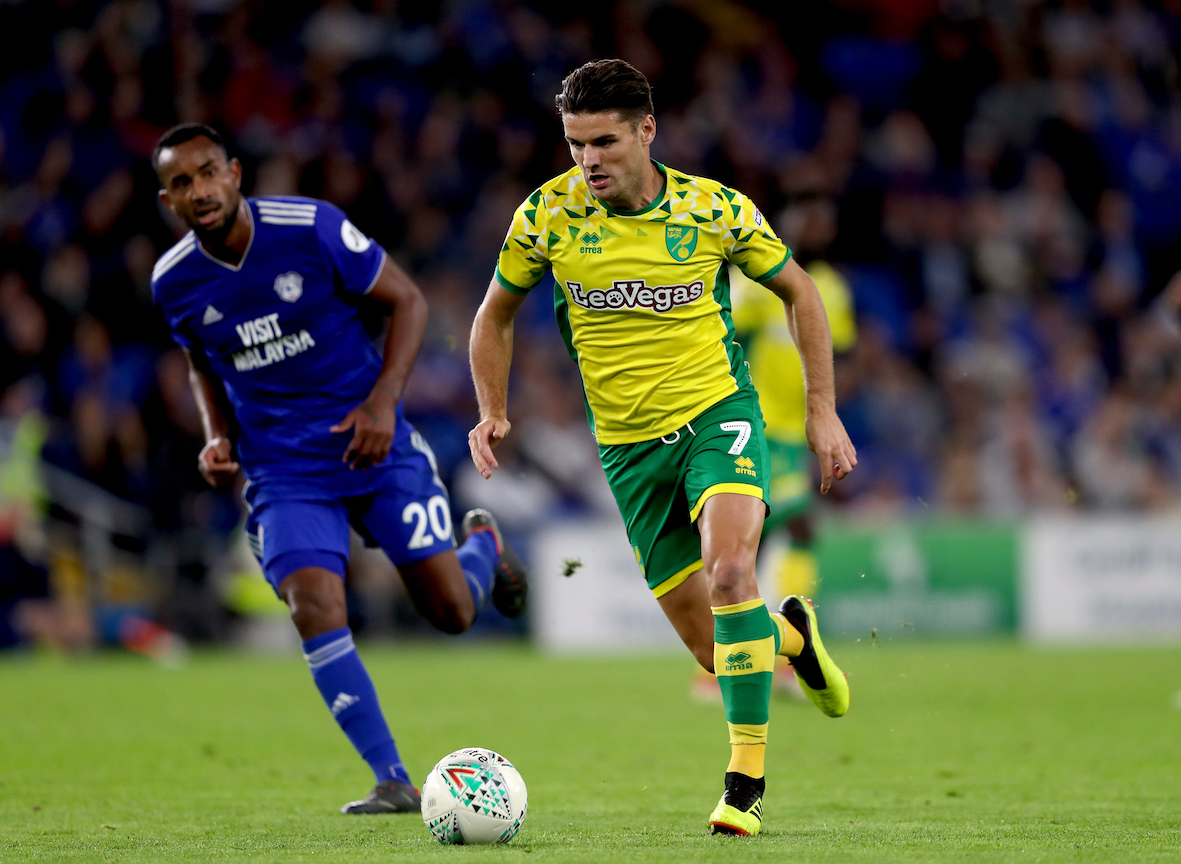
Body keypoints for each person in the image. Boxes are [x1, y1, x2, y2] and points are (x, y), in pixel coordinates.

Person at [468, 60, 857, 837]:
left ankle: (743, 785)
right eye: (575, 144)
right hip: (626, 449)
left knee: (731, 571)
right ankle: (791, 636)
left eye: (604, 142)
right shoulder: (545, 216)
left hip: (719, 416)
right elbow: (493, 315)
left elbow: (800, 292)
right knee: (718, 649)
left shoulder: (714, 209)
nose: (588, 160)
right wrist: (492, 411)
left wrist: (822, 411)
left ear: (646, 130)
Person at [150, 123, 527, 815]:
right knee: (313, 604)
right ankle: (392, 779)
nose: (199, 190)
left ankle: (481, 547)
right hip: (283, 467)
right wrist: (216, 434)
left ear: (234, 174)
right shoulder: (173, 280)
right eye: (181, 183)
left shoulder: (310, 227)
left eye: (207, 173)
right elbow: (200, 360)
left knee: (451, 613)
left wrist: (383, 404)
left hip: (372, 444)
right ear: (167, 199)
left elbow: (407, 301)